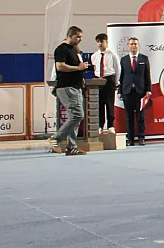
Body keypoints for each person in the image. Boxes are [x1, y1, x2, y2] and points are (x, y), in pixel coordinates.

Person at [50, 26, 90, 156]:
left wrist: (82, 70)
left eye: (81, 37)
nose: (80, 39)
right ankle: (55, 138)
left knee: (75, 118)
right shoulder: (61, 49)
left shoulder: (75, 50)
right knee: (78, 115)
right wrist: (78, 68)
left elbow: (78, 68)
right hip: (67, 87)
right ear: (70, 35)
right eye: (78, 37)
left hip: (76, 86)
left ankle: (71, 146)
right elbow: (60, 66)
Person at [117, 37, 151, 147]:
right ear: (128, 46)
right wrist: (120, 91)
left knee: (140, 116)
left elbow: (147, 76)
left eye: (135, 44)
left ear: (138, 45)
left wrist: (148, 90)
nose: (133, 46)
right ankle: (130, 139)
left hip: (140, 92)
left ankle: (141, 137)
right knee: (129, 117)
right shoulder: (124, 60)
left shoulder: (144, 59)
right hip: (127, 92)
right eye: (131, 44)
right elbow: (122, 77)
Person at [89, 33, 119, 134]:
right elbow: (94, 69)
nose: (100, 44)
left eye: (102, 42)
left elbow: (117, 69)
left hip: (109, 79)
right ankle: (100, 125)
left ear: (106, 42)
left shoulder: (112, 55)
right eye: (98, 42)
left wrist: (116, 82)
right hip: (98, 79)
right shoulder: (94, 56)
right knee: (99, 103)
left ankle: (111, 125)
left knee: (109, 103)